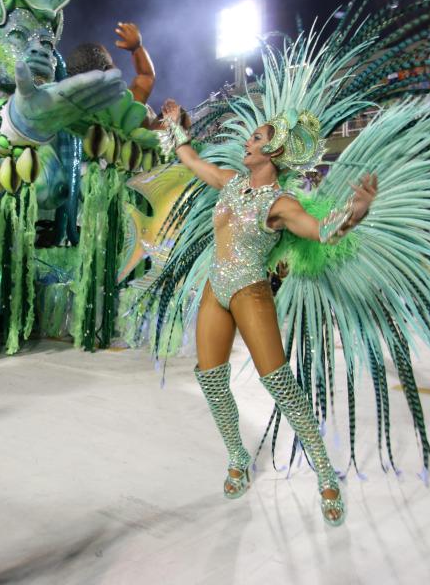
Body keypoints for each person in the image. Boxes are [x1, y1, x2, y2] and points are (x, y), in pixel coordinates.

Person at [159, 97, 377, 525]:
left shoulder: (280, 204)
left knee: (278, 382)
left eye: (255, 138)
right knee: (210, 379)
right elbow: (188, 158)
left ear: (272, 153)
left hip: (249, 291)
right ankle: (237, 456)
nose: (247, 140)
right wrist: (175, 126)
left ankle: (324, 472)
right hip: (215, 287)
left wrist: (355, 213)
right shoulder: (229, 183)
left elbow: (319, 232)